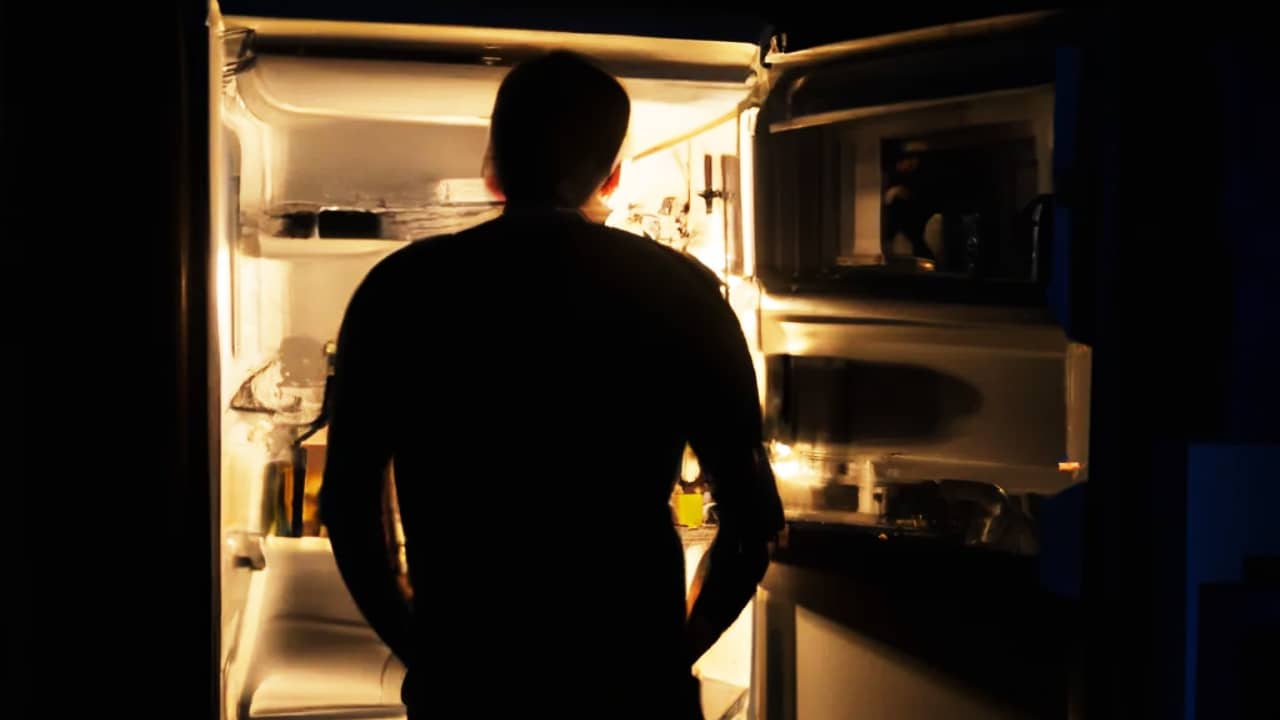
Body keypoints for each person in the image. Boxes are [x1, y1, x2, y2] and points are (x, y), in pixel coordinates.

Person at [321, 50, 784, 719]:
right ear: (612, 175)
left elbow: (348, 507)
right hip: (628, 687)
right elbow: (751, 524)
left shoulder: (400, 289)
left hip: (470, 683)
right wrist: (671, 651)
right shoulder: (682, 291)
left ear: (494, 163)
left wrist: (421, 647)